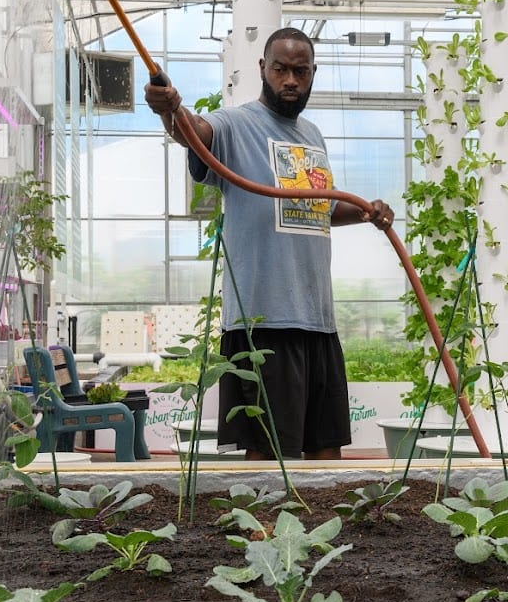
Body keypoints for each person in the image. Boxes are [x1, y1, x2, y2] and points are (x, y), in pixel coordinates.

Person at [144, 27, 395, 460]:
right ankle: (258, 530)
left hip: (318, 320)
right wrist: (171, 112)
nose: (290, 80)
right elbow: (194, 132)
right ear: (264, 68)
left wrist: (366, 212)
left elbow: (315, 208)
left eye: (300, 71)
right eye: (280, 69)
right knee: (266, 456)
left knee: (326, 449)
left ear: (314, 73)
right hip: (263, 322)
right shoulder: (236, 124)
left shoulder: (313, 136)